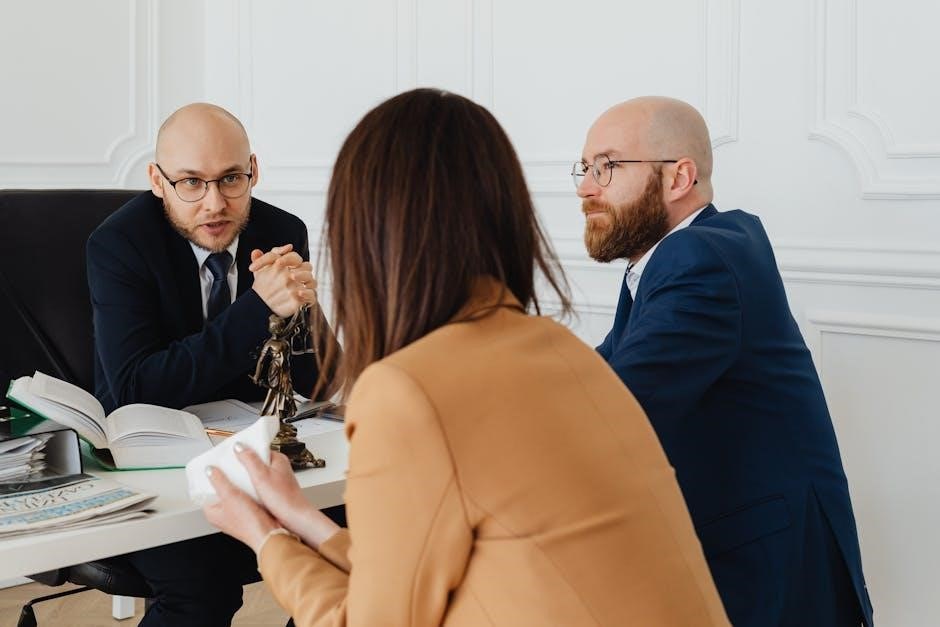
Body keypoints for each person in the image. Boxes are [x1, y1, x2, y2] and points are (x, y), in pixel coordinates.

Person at [202, 88, 730, 626]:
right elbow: (413, 573)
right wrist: (299, 518)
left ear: (367, 231)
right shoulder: (561, 350)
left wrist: (265, 539)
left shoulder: (408, 389)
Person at [575, 96, 873, 626]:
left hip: (770, 577)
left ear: (678, 177)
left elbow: (617, 406)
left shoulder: (698, 257)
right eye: (585, 168)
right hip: (749, 556)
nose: (586, 188)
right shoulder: (679, 256)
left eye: (607, 166)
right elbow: (597, 371)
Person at [86, 103, 341, 627]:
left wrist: (305, 314)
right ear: (157, 181)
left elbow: (317, 378)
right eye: (190, 183)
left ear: (253, 170)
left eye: (230, 179)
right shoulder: (118, 244)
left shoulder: (280, 229)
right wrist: (256, 308)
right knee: (202, 589)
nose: (215, 203)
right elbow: (135, 386)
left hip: (252, 447)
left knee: (360, 543)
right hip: (150, 459)